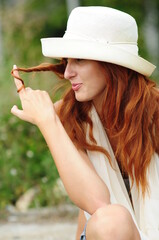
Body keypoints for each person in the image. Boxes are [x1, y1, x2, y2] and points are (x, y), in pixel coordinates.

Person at [11, 6, 159, 240]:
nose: (68, 72)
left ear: (111, 64)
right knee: (112, 220)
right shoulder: (70, 115)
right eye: (66, 61)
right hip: (107, 232)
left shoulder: (154, 113)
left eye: (79, 59)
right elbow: (97, 203)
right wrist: (48, 123)